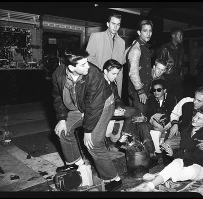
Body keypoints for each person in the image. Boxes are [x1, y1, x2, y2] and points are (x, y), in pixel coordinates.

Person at [52, 49, 122, 192]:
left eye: (87, 62)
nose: (88, 66)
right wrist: (61, 118)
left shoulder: (94, 74)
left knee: (93, 143)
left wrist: (88, 130)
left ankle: (114, 178)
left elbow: (94, 106)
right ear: (71, 68)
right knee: (63, 131)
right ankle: (77, 165)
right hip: (82, 105)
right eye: (83, 64)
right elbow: (57, 97)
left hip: (103, 104)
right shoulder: (58, 75)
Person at [139, 106, 203, 191]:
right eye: (195, 116)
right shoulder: (186, 131)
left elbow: (195, 156)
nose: (194, 119)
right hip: (185, 160)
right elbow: (182, 150)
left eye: (199, 118)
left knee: (188, 172)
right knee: (175, 163)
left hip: (199, 165)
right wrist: (172, 153)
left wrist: (177, 154)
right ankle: (150, 185)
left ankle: (158, 176)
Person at [164, 86, 203, 159]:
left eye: (199, 101)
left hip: (201, 138)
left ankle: (198, 160)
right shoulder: (186, 101)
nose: (195, 102)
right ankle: (183, 159)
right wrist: (175, 124)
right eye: (195, 98)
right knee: (167, 144)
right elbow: (175, 114)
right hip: (184, 136)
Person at [134, 79, 177, 162]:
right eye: (154, 90)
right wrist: (150, 120)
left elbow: (174, 114)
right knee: (142, 126)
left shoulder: (171, 98)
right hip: (154, 124)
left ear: (164, 90)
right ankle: (151, 153)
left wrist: (167, 124)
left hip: (168, 124)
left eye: (159, 90)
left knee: (167, 132)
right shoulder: (150, 99)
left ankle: (163, 155)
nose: (156, 92)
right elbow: (148, 114)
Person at [86, 13, 125, 97]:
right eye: (113, 23)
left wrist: (119, 88)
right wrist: (103, 74)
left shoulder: (122, 42)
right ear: (108, 24)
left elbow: (121, 64)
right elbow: (89, 60)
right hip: (99, 80)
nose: (115, 27)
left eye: (118, 24)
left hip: (115, 83)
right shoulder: (96, 37)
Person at [102, 59, 141, 142]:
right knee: (133, 112)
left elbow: (117, 98)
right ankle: (116, 139)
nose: (115, 76)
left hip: (112, 110)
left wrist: (119, 107)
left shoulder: (112, 82)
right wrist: (112, 111)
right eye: (113, 73)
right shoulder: (97, 84)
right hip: (100, 113)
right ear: (105, 71)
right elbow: (96, 105)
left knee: (135, 112)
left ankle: (123, 138)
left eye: (117, 74)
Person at [126, 19, 153, 115]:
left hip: (144, 90)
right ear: (139, 32)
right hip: (138, 92)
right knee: (139, 120)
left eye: (150, 31)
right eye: (145, 31)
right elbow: (133, 73)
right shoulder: (136, 49)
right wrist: (140, 91)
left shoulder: (144, 46)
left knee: (143, 117)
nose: (148, 33)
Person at [156, 27, 184, 101]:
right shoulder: (165, 48)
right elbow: (159, 66)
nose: (182, 37)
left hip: (177, 79)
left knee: (177, 99)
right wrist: (161, 80)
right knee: (166, 99)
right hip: (167, 78)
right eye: (180, 35)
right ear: (173, 35)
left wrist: (181, 76)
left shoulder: (180, 49)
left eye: (182, 35)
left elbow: (181, 64)